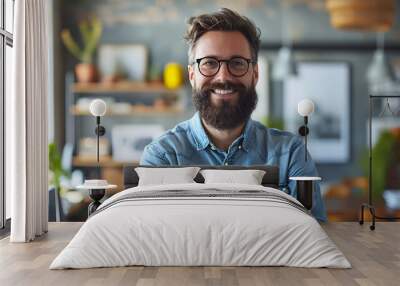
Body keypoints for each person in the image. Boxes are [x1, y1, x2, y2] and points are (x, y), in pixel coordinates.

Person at [140, 8, 327, 221]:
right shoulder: (162, 156)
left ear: (255, 74)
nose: (223, 77)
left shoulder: (291, 154)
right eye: (209, 63)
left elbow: (313, 237)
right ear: (192, 75)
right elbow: (152, 240)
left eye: (237, 63)